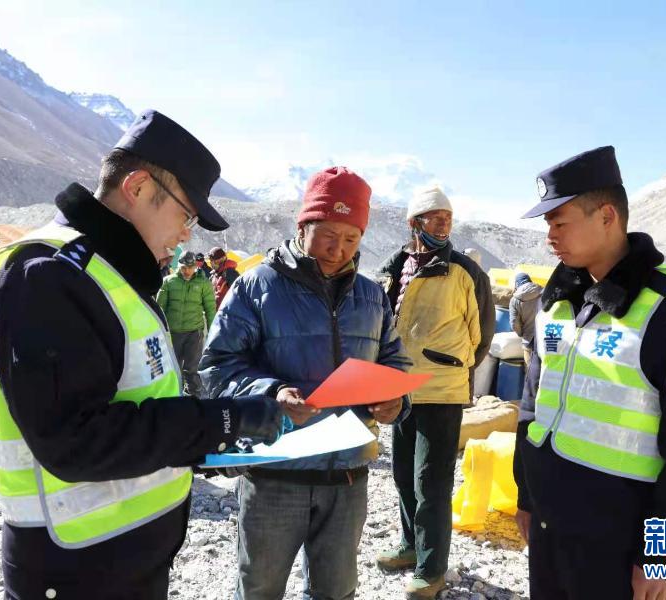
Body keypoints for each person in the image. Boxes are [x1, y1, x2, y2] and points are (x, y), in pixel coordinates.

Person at [0, 110, 284, 600]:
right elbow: (76, 440)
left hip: (123, 560)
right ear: (138, 187)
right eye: (186, 215)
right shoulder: (47, 275)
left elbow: (143, 406)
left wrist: (217, 444)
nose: (186, 235)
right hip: (74, 568)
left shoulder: (111, 275)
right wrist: (222, 420)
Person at [513, 146, 666, 600]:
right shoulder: (557, 298)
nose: (550, 236)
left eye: (559, 222)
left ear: (607, 216)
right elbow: (534, 404)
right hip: (550, 524)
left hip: (619, 540)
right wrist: (526, 497)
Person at [200, 166, 412, 600]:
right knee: (259, 589)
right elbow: (218, 365)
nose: (338, 249)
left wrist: (396, 399)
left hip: (347, 476)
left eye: (351, 238)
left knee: (336, 590)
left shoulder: (372, 296)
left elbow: (394, 360)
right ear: (303, 227)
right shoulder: (256, 287)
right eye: (327, 235)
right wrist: (272, 392)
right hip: (274, 473)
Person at [375, 187, 494, 599]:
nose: (444, 224)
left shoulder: (464, 272)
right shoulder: (394, 267)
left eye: (448, 217)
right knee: (402, 474)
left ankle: (431, 568)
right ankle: (411, 545)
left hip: (441, 390)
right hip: (399, 388)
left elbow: (481, 337)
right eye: (435, 217)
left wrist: (449, 366)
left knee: (431, 482)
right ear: (414, 223)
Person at [156, 250, 217, 396]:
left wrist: (213, 333)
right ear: (179, 266)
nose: (187, 271)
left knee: (191, 370)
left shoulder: (203, 283)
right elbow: (159, 309)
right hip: (173, 333)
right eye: (184, 268)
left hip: (194, 333)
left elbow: (210, 309)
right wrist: (159, 332)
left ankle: (193, 399)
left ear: (195, 267)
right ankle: (173, 397)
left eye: (191, 268)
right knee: (172, 368)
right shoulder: (168, 282)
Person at [509, 272, 543, 365]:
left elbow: (514, 323)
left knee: (530, 369)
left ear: (516, 284)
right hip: (546, 337)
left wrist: (521, 334)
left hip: (529, 340)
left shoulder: (514, 300)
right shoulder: (543, 292)